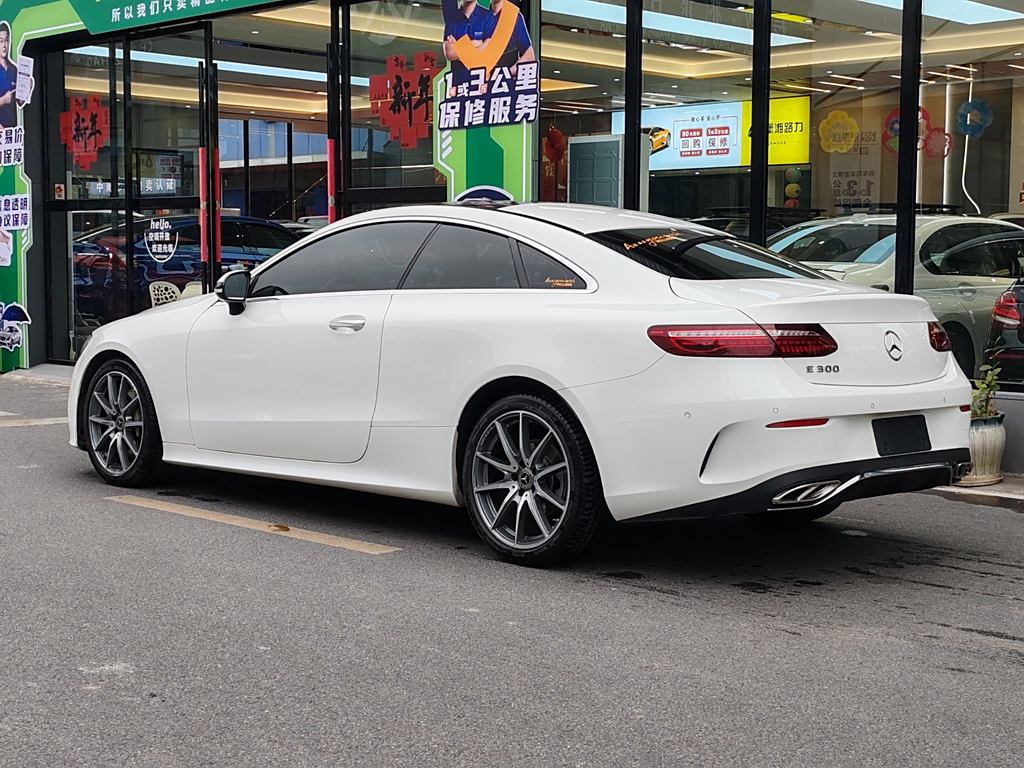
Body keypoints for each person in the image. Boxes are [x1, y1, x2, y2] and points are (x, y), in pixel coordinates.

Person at [442, 0, 496, 89]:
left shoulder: (487, 16)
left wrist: (459, 47)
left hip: (482, 85)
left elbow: (488, 51)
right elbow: (450, 53)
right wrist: (476, 45)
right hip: (459, 86)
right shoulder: (452, 19)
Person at [0, 22, 17, 128]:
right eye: (1, 41)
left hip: (14, 133)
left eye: (6, 40)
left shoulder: (14, 69)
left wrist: (27, 88)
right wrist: (4, 100)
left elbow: (20, 102)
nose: (4, 45)